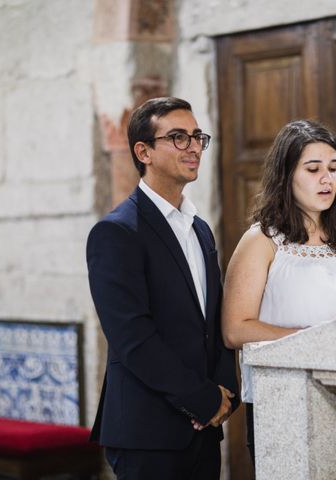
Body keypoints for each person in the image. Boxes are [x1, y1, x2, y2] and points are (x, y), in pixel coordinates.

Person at [87, 97, 239, 479]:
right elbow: (132, 337)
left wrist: (224, 394)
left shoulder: (199, 229)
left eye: (196, 137)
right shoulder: (117, 232)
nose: (193, 147)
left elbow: (213, 318)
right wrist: (201, 400)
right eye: (177, 137)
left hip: (204, 430)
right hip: (147, 430)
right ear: (144, 151)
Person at [221, 119, 336, 462]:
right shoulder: (262, 241)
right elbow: (235, 328)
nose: (328, 179)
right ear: (286, 176)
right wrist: (314, 341)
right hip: (287, 399)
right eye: (313, 169)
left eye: (334, 167)